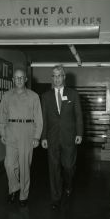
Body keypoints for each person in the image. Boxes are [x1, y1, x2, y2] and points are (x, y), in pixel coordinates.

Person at [0, 68, 43, 207]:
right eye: (16, 77)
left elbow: (39, 119)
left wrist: (36, 136)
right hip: (11, 131)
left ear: (25, 79)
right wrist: (2, 133)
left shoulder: (34, 96)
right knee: (9, 164)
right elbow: (3, 116)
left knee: (24, 166)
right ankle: (14, 187)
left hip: (27, 132)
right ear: (13, 80)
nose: (18, 80)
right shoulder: (6, 96)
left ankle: (23, 195)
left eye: (21, 77)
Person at [41, 65, 83, 210]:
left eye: (59, 75)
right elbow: (44, 118)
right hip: (52, 138)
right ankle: (56, 198)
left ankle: (69, 184)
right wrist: (44, 137)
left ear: (64, 77)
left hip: (69, 137)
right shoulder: (46, 96)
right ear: (52, 78)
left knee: (69, 167)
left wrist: (79, 133)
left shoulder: (73, 94)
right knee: (53, 169)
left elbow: (78, 116)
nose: (57, 79)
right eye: (54, 76)